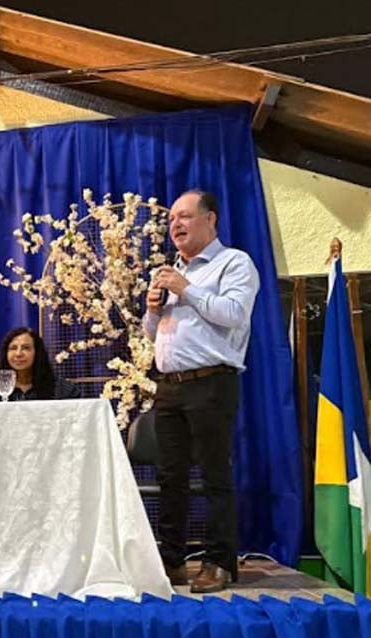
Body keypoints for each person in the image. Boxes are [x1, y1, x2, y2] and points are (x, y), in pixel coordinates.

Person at [144, 189, 260, 593]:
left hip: (211, 381)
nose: (175, 224)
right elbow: (152, 334)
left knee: (213, 475)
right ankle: (172, 561)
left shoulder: (234, 263)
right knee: (170, 477)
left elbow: (233, 314)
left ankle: (218, 562)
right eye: (172, 218)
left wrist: (186, 287)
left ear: (210, 219)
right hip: (169, 386)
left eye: (185, 216)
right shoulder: (170, 272)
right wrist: (153, 309)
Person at [0, 327, 80, 401]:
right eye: (13, 348)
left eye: (26, 348)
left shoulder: (62, 390)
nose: (18, 354)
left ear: (37, 353)